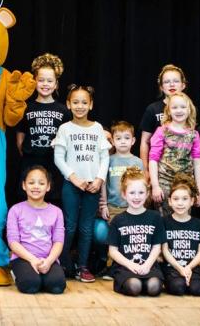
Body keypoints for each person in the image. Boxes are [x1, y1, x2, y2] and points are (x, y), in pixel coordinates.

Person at [52, 85, 109, 282]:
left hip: (92, 187)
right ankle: (63, 262)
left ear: (91, 105)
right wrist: (73, 177)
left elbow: (104, 157)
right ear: (68, 104)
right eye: (75, 102)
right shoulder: (65, 129)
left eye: (84, 102)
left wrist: (100, 179)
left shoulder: (98, 128)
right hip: (72, 185)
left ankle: (83, 266)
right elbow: (59, 158)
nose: (80, 106)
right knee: (69, 226)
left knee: (86, 228)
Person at [16, 53, 69, 204]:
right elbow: (20, 138)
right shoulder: (26, 108)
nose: (45, 84)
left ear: (56, 84)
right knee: (30, 201)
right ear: (34, 82)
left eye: (49, 81)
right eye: (41, 80)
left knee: (53, 200)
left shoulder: (63, 110)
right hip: (31, 161)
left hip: (54, 163)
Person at [94, 121, 145, 277]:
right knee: (113, 235)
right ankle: (107, 263)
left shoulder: (137, 162)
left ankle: (122, 265)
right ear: (113, 142)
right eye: (118, 138)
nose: (122, 141)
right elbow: (103, 183)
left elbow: (141, 186)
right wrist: (103, 205)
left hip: (132, 208)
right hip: (113, 206)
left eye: (126, 138)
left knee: (128, 237)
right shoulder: (109, 160)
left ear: (133, 141)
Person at [6, 165, 66, 294]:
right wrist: (32, 259)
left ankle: (42, 276)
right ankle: (19, 273)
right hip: (23, 258)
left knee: (57, 287)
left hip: (47, 258)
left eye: (41, 183)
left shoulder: (57, 212)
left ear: (48, 186)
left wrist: (49, 261)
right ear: (24, 185)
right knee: (30, 286)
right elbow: (13, 242)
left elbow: (58, 241)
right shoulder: (15, 210)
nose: (36, 186)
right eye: (31, 183)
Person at [107, 166, 164, 297]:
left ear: (147, 193)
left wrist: (147, 265)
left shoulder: (155, 217)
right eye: (132, 193)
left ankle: (146, 280)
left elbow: (156, 247)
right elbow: (113, 251)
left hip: (149, 265)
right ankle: (135, 282)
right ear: (124, 194)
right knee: (135, 286)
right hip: (126, 267)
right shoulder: (118, 220)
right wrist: (130, 264)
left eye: (141, 193)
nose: (136, 197)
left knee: (154, 287)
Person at [148, 93, 200, 216]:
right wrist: (155, 186)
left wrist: (199, 190)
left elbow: (197, 163)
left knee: (182, 220)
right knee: (164, 222)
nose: (179, 110)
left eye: (183, 107)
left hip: (186, 185)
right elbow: (153, 160)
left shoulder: (194, 134)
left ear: (189, 110)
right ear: (168, 110)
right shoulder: (161, 131)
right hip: (164, 184)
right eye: (174, 107)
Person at [161, 174, 200, 296]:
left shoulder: (198, 223)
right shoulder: (164, 222)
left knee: (197, 289)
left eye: (185, 199)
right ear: (169, 201)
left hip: (192, 267)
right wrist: (180, 268)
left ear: (192, 201)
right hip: (172, 267)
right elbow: (165, 250)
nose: (180, 203)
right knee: (178, 288)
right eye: (176, 199)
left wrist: (188, 267)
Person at [137, 64, 187, 160]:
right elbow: (144, 141)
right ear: (161, 87)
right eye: (167, 82)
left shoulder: (190, 108)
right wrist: (145, 169)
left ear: (183, 85)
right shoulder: (152, 109)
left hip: (184, 165)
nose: (171, 84)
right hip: (158, 166)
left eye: (176, 81)